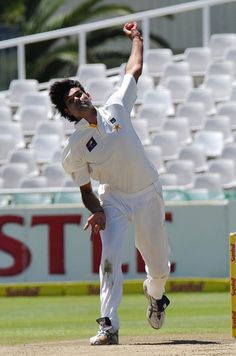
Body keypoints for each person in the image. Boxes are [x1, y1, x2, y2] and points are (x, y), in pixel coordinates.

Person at [49, 21, 170, 346]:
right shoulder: (74, 149)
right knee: (109, 258)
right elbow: (86, 191)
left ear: (87, 93)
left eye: (80, 93)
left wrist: (137, 38)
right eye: (72, 101)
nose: (80, 99)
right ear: (69, 113)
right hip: (113, 199)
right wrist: (98, 211)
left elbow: (134, 69)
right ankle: (109, 327)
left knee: (159, 269)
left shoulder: (116, 107)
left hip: (147, 192)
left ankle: (155, 294)